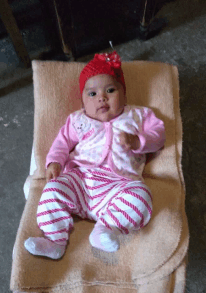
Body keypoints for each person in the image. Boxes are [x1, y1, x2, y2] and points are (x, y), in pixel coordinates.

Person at [24, 51, 166, 259]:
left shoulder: (137, 115)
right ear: (82, 103)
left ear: (124, 95)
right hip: (82, 180)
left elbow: (158, 135)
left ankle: (105, 229)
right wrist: (54, 162)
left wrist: (138, 141)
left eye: (110, 90)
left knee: (142, 198)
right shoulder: (78, 120)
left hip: (120, 184)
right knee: (52, 189)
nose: (102, 97)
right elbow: (62, 143)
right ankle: (55, 241)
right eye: (92, 94)